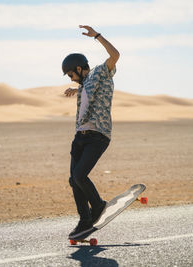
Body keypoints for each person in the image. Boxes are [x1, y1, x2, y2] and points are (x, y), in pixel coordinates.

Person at [62, 25, 120, 240]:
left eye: (70, 74)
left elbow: (115, 55)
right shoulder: (85, 83)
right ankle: (84, 220)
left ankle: (98, 206)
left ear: (78, 68)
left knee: (79, 175)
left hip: (98, 136)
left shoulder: (100, 72)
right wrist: (77, 90)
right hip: (80, 136)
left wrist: (97, 36)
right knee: (73, 179)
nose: (70, 78)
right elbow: (89, 92)